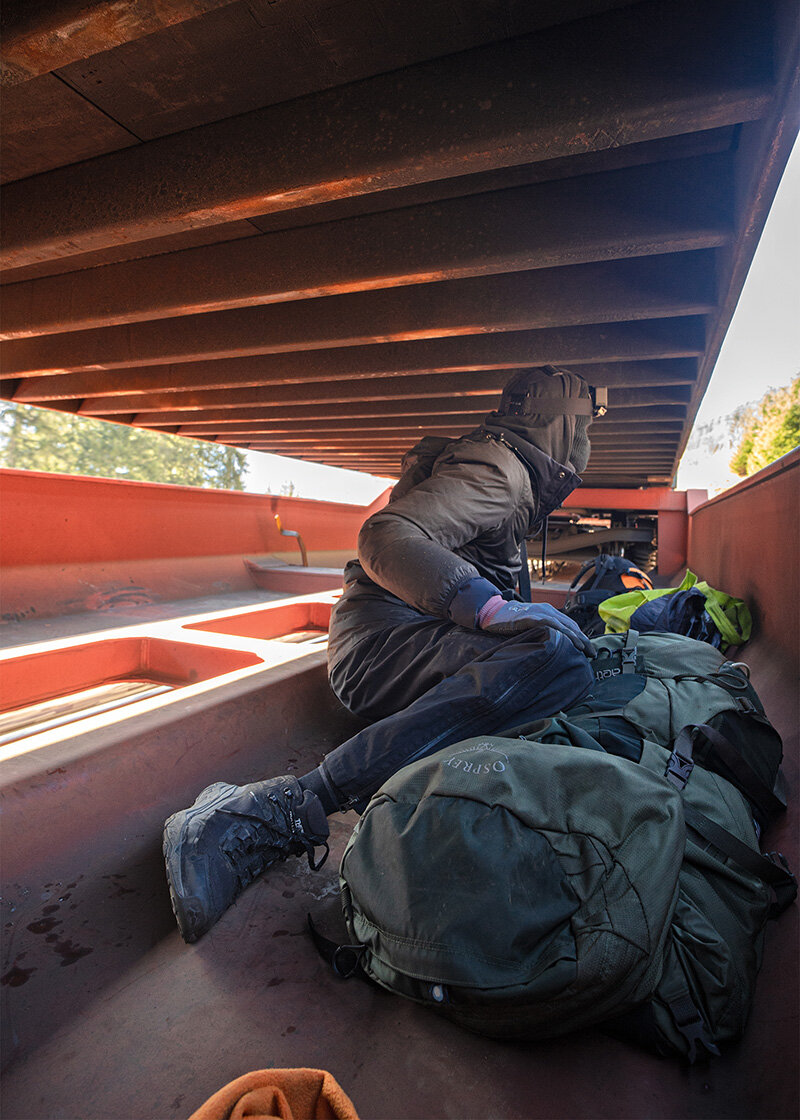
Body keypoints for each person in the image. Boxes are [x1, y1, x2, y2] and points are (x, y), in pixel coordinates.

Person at [163, 366, 599, 942]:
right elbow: (385, 536)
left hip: (399, 641)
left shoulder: (512, 471)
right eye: (587, 426)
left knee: (567, 657)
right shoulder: (501, 471)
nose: (589, 442)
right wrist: (491, 610)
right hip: (382, 648)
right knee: (557, 659)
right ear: (564, 427)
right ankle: (278, 810)